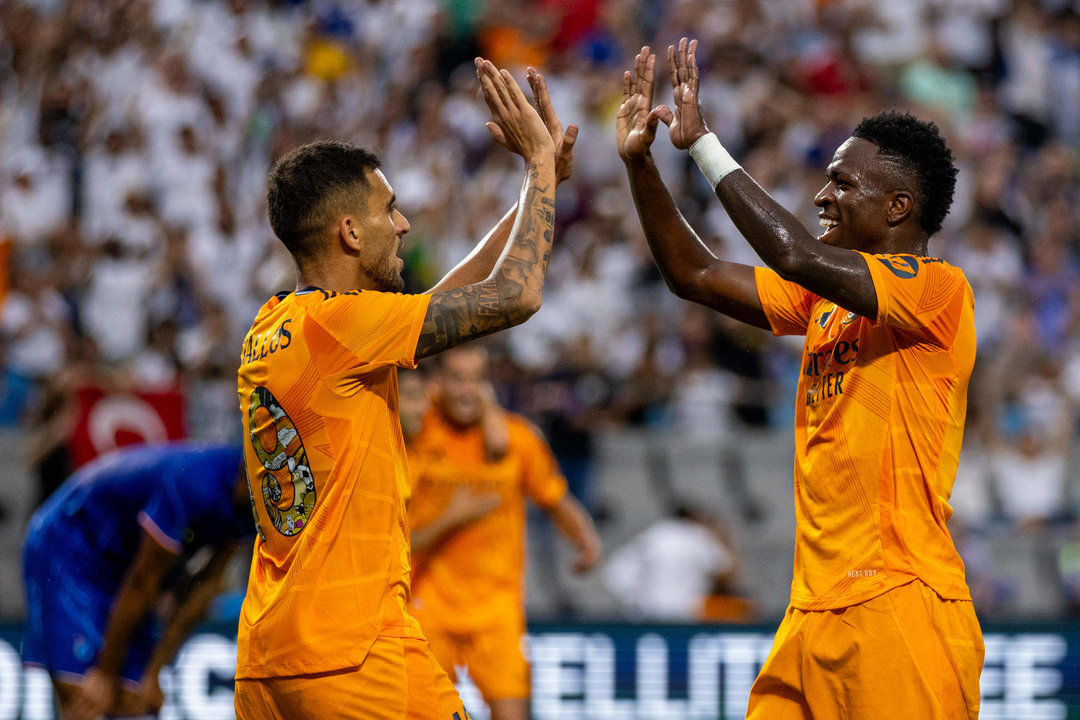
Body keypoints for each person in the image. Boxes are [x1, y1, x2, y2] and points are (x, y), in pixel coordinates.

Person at [616, 40, 983, 719]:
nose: (822, 193)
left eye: (843, 183)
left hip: (897, 604)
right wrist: (639, 165)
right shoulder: (824, 301)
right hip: (811, 610)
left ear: (898, 208)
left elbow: (791, 252)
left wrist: (702, 147)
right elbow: (692, 274)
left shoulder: (938, 292)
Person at [233, 58, 575, 720]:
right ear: (351, 231)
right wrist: (536, 164)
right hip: (352, 651)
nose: (405, 225)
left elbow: (449, 302)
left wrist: (538, 192)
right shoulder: (342, 328)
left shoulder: (281, 323)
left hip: (271, 654)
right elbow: (514, 296)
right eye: (390, 209)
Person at [402, 346, 602, 720]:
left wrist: (584, 540)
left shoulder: (516, 438)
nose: (466, 390)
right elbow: (398, 540)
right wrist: (451, 517)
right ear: (437, 384)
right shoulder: (417, 434)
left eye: (477, 379)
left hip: (497, 609)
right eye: (457, 378)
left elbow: (554, 497)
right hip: (428, 608)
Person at [22, 442, 251, 720]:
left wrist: (155, 672)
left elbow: (203, 590)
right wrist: (104, 674)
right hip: (69, 543)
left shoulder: (255, 503)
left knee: (135, 704)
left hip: (121, 565)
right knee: (86, 700)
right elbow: (143, 582)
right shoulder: (195, 482)